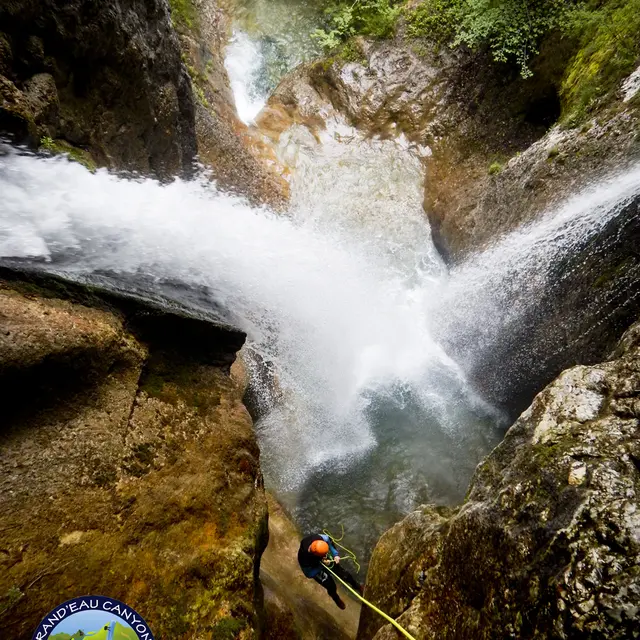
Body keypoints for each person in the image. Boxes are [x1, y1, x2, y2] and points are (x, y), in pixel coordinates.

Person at [297, 533, 363, 609]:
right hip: (314, 567)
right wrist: (321, 566)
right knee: (330, 585)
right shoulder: (303, 559)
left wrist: (335, 554)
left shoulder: (320, 538)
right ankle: (335, 597)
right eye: (323, 555)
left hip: (322, 560)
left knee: (344, 574)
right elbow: (309, 574)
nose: (325, 556)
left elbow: (329, 541)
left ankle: (358, 587)